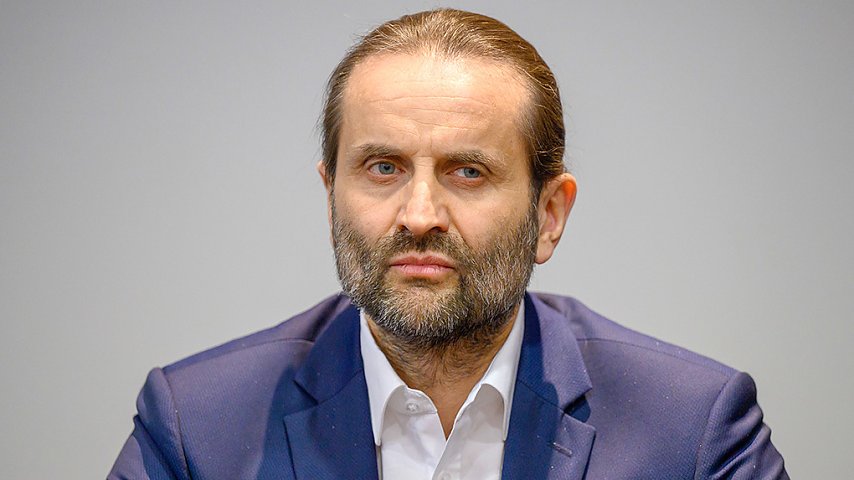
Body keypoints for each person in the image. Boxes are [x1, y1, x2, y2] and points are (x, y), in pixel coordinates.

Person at [109, 8, 787, 480]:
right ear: (330, 196)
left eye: (468, 172)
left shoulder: (692, 430)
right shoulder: (197, 427)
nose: (419, 214)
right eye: (383, 168)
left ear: (549, 214)